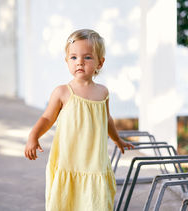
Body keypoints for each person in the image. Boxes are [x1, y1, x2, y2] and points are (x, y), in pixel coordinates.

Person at [25, 29, 134, 211]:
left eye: (88, 57)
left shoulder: (103, 92)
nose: (80, 62)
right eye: (74, 57)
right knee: (67, 203)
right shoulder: (62, 92)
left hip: (95, 163)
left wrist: (117, 139)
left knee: (96, 203)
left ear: (100, 62)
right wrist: (33, 136)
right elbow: (47, 118)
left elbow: (107, 120)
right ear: (67, 61)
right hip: (69, 161)